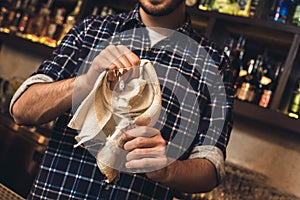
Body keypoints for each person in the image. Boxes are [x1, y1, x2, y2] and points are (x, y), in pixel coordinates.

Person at [10, 0, 234, 199]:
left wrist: (168, 170)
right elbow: (22, 110)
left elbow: (211, 168)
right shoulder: (91, 30)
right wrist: (88, 80)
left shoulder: (214, 64)